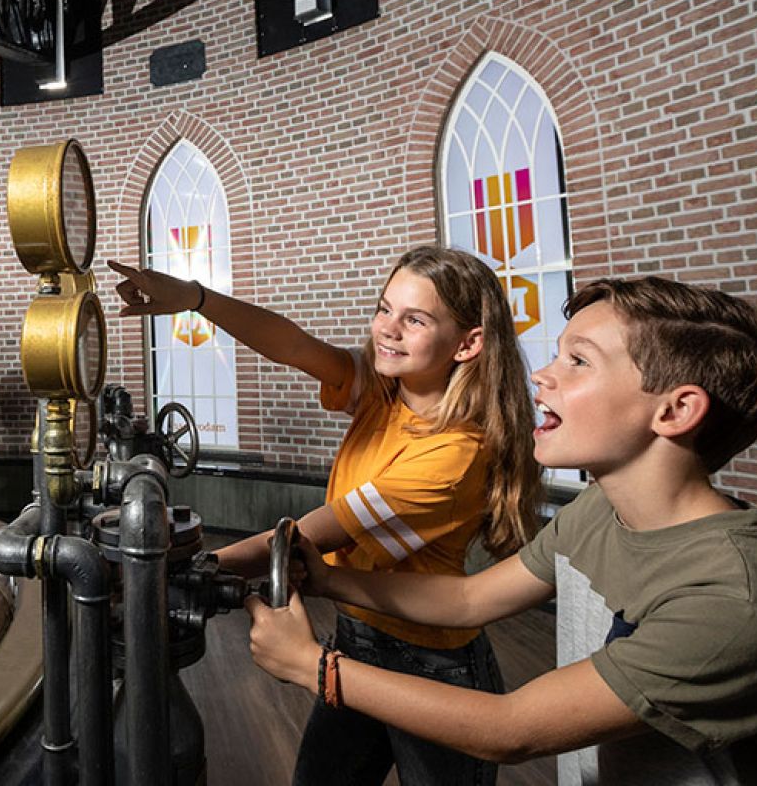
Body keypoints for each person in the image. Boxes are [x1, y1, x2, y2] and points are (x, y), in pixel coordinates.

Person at [247, 277, 757, 785]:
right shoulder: (601, 511)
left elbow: (511, 729)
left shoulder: (737, 602)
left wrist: (312, 667)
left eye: (578, 361)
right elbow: (469, 600)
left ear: (675, 410)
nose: (541, 375)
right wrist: (328, 580)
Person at [109, 246, 542, 786]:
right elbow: (292, 345)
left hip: (435, 666)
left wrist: (163, 570)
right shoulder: (385, 391)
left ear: (468, 343)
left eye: (415, 319)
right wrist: (195, 298)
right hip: (356, 639)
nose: (388, 330)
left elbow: (302, 538)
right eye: (385, 309)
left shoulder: (454, 455)